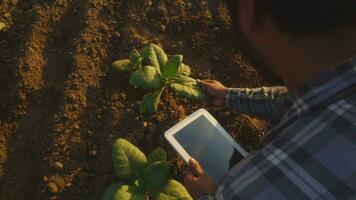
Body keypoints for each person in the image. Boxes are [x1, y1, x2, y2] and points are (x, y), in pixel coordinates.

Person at [184, 0, 356, 199]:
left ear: (250, 11)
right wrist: (229, 96)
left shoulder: (254, 191)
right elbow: (309, 99)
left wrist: (206, 194)